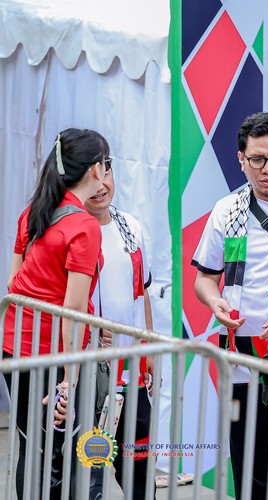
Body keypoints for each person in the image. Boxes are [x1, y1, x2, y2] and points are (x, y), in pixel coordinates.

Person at [191, 111, 268, 499]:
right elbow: (204, 278)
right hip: (243, 356)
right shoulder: (227, 211)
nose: (267, 170)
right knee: (249, 462)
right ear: (241, 160)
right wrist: (215, 301)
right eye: (257, 159)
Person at [3, 128, 107, 499]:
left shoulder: (33, 212)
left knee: (33, 445)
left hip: (16, 348)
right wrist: (69, 378)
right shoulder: (84, 226)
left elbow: (14, 281)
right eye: (106, 163)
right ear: (95, 169)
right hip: (53, 355)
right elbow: (73, 309)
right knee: (59, 454)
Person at [84, 157, 159, 498]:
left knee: (139, 470)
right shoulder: (69, 230)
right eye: (90, 176)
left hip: (132, 374)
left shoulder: (130, 225)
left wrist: (149, 347)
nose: (100, 185)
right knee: (89, 470)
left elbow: (142, 290)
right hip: (89, 376)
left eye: (105, 172)